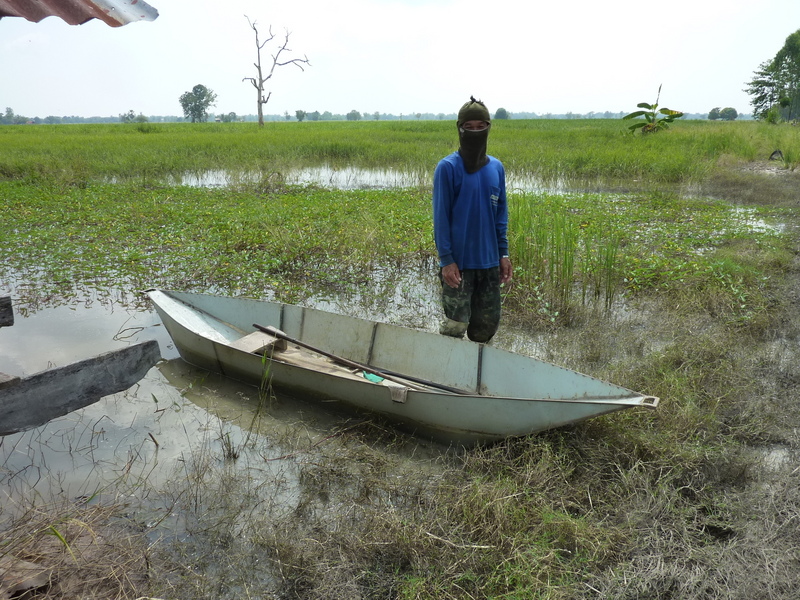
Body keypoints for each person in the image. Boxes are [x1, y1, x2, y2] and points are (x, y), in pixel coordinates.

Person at [432, 96, 512, 343]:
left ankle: (476, 378)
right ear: (460, 128)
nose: (475, 132)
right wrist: (447, 261)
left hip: (489, 264)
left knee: (485, 328)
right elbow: (441, 218)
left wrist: (503, 254)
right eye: (470, 127)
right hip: (460, 266)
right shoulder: (447, 168)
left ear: (489, 127)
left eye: (481, 127)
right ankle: (444, 375)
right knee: (455, 326)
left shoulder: (496, 168)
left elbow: (500, 215)